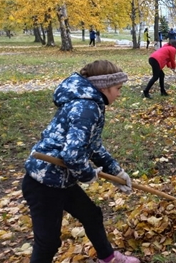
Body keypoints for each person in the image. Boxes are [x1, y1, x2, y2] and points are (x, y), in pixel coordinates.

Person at [22, 60, 140, 263]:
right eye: (118, 89)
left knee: (92, 215)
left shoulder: (91, 103)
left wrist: (117, 173)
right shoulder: (87, 108)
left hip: (61, 179)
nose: (119, 94)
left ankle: (109, 258)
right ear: (104, 86)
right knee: (48, 243)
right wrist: (88, 175)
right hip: (44, 183)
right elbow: (73, 156)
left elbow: (93, 145)